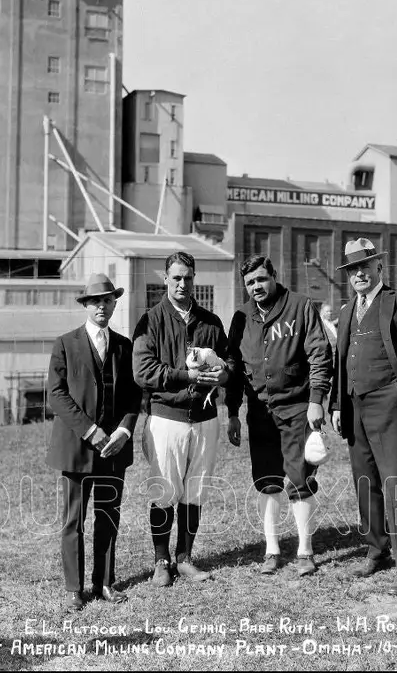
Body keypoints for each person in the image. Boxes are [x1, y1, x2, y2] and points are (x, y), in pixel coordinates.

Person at [329, 238, 397, 595]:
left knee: (395, 484)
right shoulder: (346, 311)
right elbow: (340, 361)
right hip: (353, 405)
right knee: (365, 482)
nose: (358, 274)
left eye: (365, 266)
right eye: (351, 269)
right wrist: (336, 404)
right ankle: (376, 548)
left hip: (388, 403)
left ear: (379, 268)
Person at [225, 255, 333, 577]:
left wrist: (316, 400)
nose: (256, 287)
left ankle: (305, 551)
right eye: (249, 283)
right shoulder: (241, 316)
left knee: (300, 479)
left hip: (297, 407)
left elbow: (319, 353)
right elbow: (233, 368)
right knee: (266, 482)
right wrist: (232, 412)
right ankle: (272, 550)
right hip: (259, 412)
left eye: (261, 279)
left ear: (273, 276)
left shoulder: (299, 306)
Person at [132, 251, 230, 586]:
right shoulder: (151, 320)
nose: (182, 284)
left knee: (195, 490)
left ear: (194, 278)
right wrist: (185, 377)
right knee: (164, 491)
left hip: (205, 417)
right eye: (176, 278)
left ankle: (185, 558)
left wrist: (223, 373)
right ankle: (161, 561)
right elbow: (143, 372)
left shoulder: (211, 322)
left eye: (188, 277)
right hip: (167, 417)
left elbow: (229, 364)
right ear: (165, 279)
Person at [47, 273, 141, 610]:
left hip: (114, 449)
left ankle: (104, 582)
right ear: (86, 305)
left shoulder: (125, 346)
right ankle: (75, 588)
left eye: (107, 300)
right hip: (76, 449)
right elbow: (56, 396)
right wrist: (90, 430)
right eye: (95, 301)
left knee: (108, 516)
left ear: (115, 303)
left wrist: (123, 431)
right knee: (74, 519)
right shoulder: (65, 344)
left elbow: (134, 397)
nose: (101, 306)